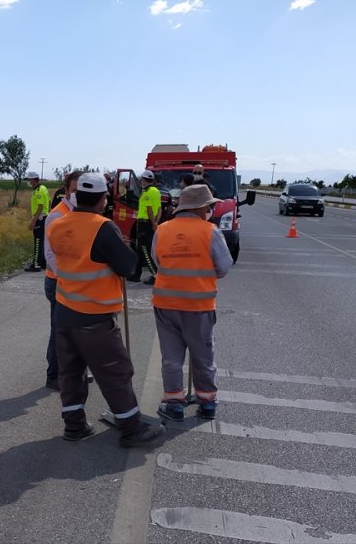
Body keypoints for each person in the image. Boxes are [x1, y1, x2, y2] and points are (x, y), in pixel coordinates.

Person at [46, 173, 165, 448]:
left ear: (77, 196)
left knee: (71, 373)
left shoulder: (57, 225)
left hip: (64, 312)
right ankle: (131, 429)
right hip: (94, 317)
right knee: (115, 371)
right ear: (103, 199)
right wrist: (123, 247)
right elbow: (129, 267)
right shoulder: (103, 227)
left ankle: (74, 426)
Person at [152, 184, 232, 421]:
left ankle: (174, 404)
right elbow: (224, 267)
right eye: (209, 207)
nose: (210, 211)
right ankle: (207, 402)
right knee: (203, 355)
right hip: (198, 307)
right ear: (200, 208)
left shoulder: (162, 230)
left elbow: (157, 261)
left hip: (166, 305)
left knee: (171, 357)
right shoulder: (210, 231)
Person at [41, 172, 79, 390]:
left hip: (74, 282)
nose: (78, 195)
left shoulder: (79, 214)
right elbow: (50, 254)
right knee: (59, 330)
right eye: (74, 190)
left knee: (75, 330)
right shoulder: (57, 216)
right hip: (58, 282)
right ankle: (54, 375)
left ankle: (73, 371)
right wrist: (68, 278)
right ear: (66, 191)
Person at [131, 170, 160, 285]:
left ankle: (155, 275)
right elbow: (159, 209)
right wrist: (156, 222)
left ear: (144, 180)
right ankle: (136, 274)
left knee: (145, 250)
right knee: (140, 250)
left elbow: (149, 209)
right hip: (149, 222)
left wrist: (153, 223)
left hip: (145, 223)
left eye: (141, 180)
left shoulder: (147, 192)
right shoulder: (156, 191)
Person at [24, 171, 50, 272]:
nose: (28, 182)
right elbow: (48, 202)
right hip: (44, 217)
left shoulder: (38, 190)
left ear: (34, 180)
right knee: (42, 241)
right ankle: (42, 263)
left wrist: (33, 221)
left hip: (40, 218)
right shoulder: (43, 188)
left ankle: (36, 265)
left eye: (29, 180)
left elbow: (40, 206)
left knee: (38, 242)